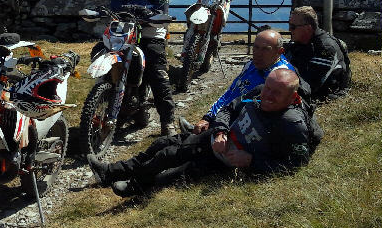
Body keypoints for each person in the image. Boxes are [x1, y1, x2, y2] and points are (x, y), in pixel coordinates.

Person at [87, 68, 320, 197]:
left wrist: (251, 161)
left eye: (275, 94)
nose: (266, 96)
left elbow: (295, 164)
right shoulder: (260, 91)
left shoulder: (291, 124)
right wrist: (220, 131)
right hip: (216, 140)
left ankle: (133, 186)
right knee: (163, 144)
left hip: (223, 161)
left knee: (167, 160)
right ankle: (112, 173)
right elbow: (229, 108)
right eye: (267, 87)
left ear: (292, 98)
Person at [108, 0, 176, 135]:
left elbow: (161, 11)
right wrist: (143, 11)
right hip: (125, 32)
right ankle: (106, 108)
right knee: (107, 63)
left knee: (157, 72)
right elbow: (115, 9)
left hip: (151, 32)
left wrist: (134, 10)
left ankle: (167, 121)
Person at [191, 28, 297, 133]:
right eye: (256, 47)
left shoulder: (279, 77)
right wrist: (208, 117)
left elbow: (261, 111)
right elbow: (230, 93)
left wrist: (219, 126)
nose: (258, 53)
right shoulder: (251, 64)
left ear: (280, 51)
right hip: (227, 116)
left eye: (266, 49)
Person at [284, 6, 351, 101]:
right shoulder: (299, 43)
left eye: (293, 27)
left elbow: (311, 84)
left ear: (308, 28)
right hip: (304, 92)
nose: (290, 30)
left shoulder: (325, 48)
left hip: (324, 97)